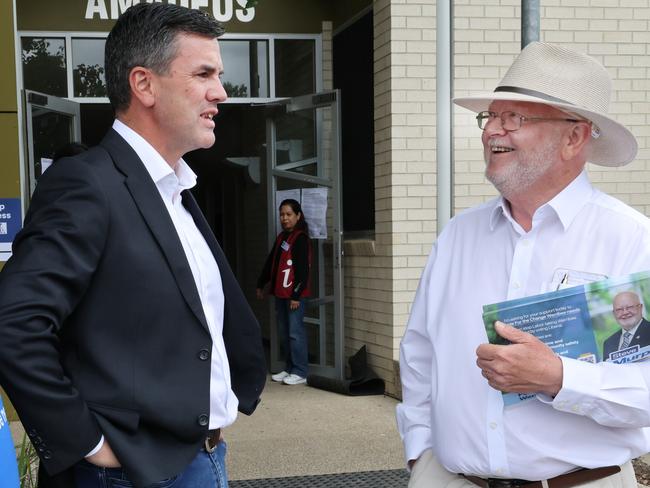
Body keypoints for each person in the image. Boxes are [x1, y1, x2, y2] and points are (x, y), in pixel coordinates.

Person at [0, 3, 266, 487]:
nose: (221, 93)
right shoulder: (87, 184)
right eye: (203, 73)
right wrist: (88, 445)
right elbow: (13, 322)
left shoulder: (174, 189)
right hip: (132, 473)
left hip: (200, 456)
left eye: (219, 74)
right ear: (143, 84)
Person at [397, 42, 650, 487]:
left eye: (514, 118)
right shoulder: (458, 235)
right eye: (490, 117)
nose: (492, 130)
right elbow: (420, 356)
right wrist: (420, 454)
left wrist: (559, 378)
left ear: (574, 136)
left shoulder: (632, 240)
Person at [256, 199, 312, 386]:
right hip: (281, 294)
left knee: (295, 333)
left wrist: (296, 295)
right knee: (285, 331)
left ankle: (300, 371)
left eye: (288, 214)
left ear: (298, 216)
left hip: (294, 296)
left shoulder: (300, 238)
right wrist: (261, 283)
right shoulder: (282, 238)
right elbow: (272, 261)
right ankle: (289, 368)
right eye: (282, 214)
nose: (284, 218)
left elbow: (303, 271)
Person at [603, 291, 650, 360]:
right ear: (614, 313)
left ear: (640, 308)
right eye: (619, 309)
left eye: (630, 307)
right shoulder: (608, 343)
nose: (625, 312)